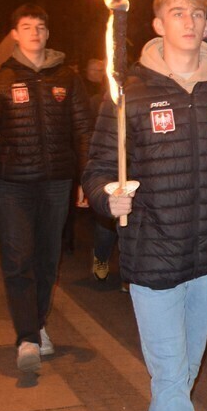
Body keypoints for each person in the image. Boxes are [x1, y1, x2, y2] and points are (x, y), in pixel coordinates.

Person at [83, 0, 207, 411]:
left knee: (184, 372)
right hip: (153, 254)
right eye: (178, 13)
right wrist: (109, 197)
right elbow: (99, 169)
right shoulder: (128, 91)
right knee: (172, 376)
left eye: (197, 13)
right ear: (157, 24)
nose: (190, 22)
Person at [0, 5, 93, 374]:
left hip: (57, 181)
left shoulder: (68, 78)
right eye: (27, 27)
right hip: (13, 183)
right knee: (17, 259)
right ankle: (26, 336)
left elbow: (83, 131)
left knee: (47, 258)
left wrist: (87, 178)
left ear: (47, 33)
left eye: (40, 27)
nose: (35, 33)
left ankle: (38, 322)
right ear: (15, 34)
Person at [83, 57, 118, 282]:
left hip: (133, 168)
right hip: (108, 165)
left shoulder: (136, 97)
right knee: (107, 224)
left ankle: (130, 276)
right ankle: (101, 256)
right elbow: (89, 135)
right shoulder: (98, 101)